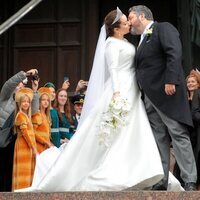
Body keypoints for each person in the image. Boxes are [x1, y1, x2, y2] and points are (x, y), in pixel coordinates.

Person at [19, 8, 164, 192]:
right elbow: (112, 69)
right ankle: (115, 173)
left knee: (133, 129)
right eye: (126, 21)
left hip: (132, 88)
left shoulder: (125, 41)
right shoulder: (111, 44)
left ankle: (140, 171)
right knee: (118, 130)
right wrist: (117, 92)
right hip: (121, 89)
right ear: (117, 28)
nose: (129, 23)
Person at [128, 5, 197, 190]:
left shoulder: (162, 28)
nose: (129, 21)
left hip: (168, 93)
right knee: (159, 138)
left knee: (178, 134)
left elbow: (174, 52)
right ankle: (161, 179)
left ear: (142, 16)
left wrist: (171, 80)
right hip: (150, 97)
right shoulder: (141, 41)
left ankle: (189, 179)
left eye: (131, 16)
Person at [0, 69, 39, 191]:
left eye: (22, 84)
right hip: (1, 138)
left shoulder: (23, 104)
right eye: (18, 84)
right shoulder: (5, 98)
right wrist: (25, 74)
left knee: (11, 172)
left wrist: (35, 90)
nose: (20, 85)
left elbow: (35, 110)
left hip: (14, 141)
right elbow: (8, 84)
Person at [12, 87, 38, 190]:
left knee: (27, 170)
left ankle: (26, 191)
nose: (26, 103)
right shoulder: (20, 116)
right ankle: (21, 191)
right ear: (19, 103)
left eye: (27, 102)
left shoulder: (27, 116)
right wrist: (33, 147)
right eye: (23, 102)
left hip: (28, 146)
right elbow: (26, 133)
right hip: (24, 145)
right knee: (23, 170)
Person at [32, 87, 53, 153]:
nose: (46, 102)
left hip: (46, 149)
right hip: (38, 147)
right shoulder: (37, 114)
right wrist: (44, 141)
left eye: (47, 100)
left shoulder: (47, 116)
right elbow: (33, 132)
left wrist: (49, 143)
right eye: (43, 100)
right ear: (39, 101)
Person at [44, 82, 60, 148]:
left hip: (57, 142)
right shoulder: (44, 110)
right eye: (49, 92)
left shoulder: (55, 110)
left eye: (53, 92)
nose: (52, 94)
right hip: (49, 144)